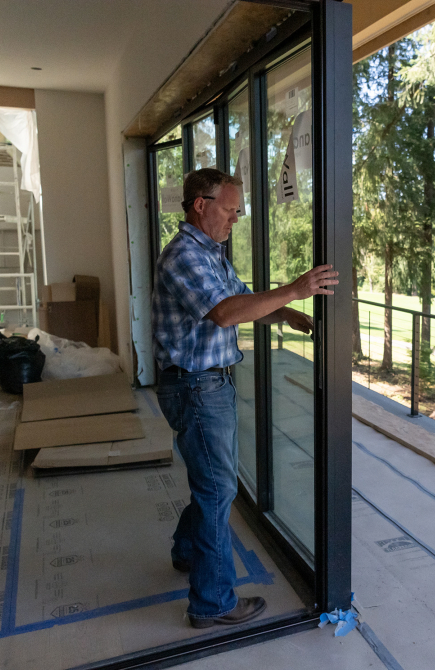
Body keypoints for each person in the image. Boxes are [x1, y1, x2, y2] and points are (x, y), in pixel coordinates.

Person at [152, 168, 338, 628]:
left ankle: (185, 549)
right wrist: (294, 287)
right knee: (217, 489)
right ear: (201, 204)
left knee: (212, 482)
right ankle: (211, 604)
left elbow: (241, 298)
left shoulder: (211, 254)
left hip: (207, 383)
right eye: (231, 211)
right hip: (195, 385)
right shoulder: (182, 256)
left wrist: (287, 312)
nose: (235, 219)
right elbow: (224, 313)